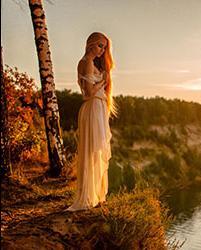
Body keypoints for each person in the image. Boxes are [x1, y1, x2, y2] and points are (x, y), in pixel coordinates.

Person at [66, 32, 117, 211]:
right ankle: (88, 196)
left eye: (104, 47)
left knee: (96, 151)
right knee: (92, 151)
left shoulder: (91, 63)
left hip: (98, 109)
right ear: (90, 44)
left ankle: (95, 195)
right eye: (100, 46)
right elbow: (88, 93)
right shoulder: (86, 62)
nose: (102, 51)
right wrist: (103, 81)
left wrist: (104, 77)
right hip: (93, 107)